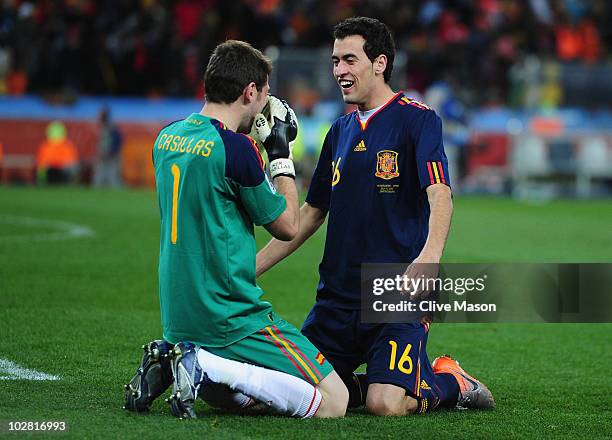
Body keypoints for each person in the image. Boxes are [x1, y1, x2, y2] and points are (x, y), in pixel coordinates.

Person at [256, 17, 495, 416]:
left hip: (394, 293)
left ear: (379, 63)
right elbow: (311, 213)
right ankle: (363, 388)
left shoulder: (419, 119)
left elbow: (440, 193)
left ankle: (452, 380)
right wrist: (249, 268)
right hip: (336, 298)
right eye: (335, 61)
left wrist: (430, 257)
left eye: (349, 60)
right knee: (297, 391)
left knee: (385, 404)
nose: (339, 71)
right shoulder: (339, 132)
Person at [123, 40, 348, 419]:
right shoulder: (235, 150)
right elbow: (289, 226)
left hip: (180, 315)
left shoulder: (167, 138)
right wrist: (279, 155)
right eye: (264, 95)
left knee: (239, 399)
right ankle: (203, 365)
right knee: (335, 401)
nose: (265, 105)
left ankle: (172, 359)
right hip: (230, 313)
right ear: (249, 92)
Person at [93, 106, 123, 187]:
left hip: (111, 155)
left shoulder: (111, 126)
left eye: (102, 115)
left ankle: (116, 192)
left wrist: (112, 151)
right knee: (100, 174)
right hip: (104, 154)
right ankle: (99, 190)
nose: (99, 117)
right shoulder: (103, 126)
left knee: (112, 175)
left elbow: (118, 140)